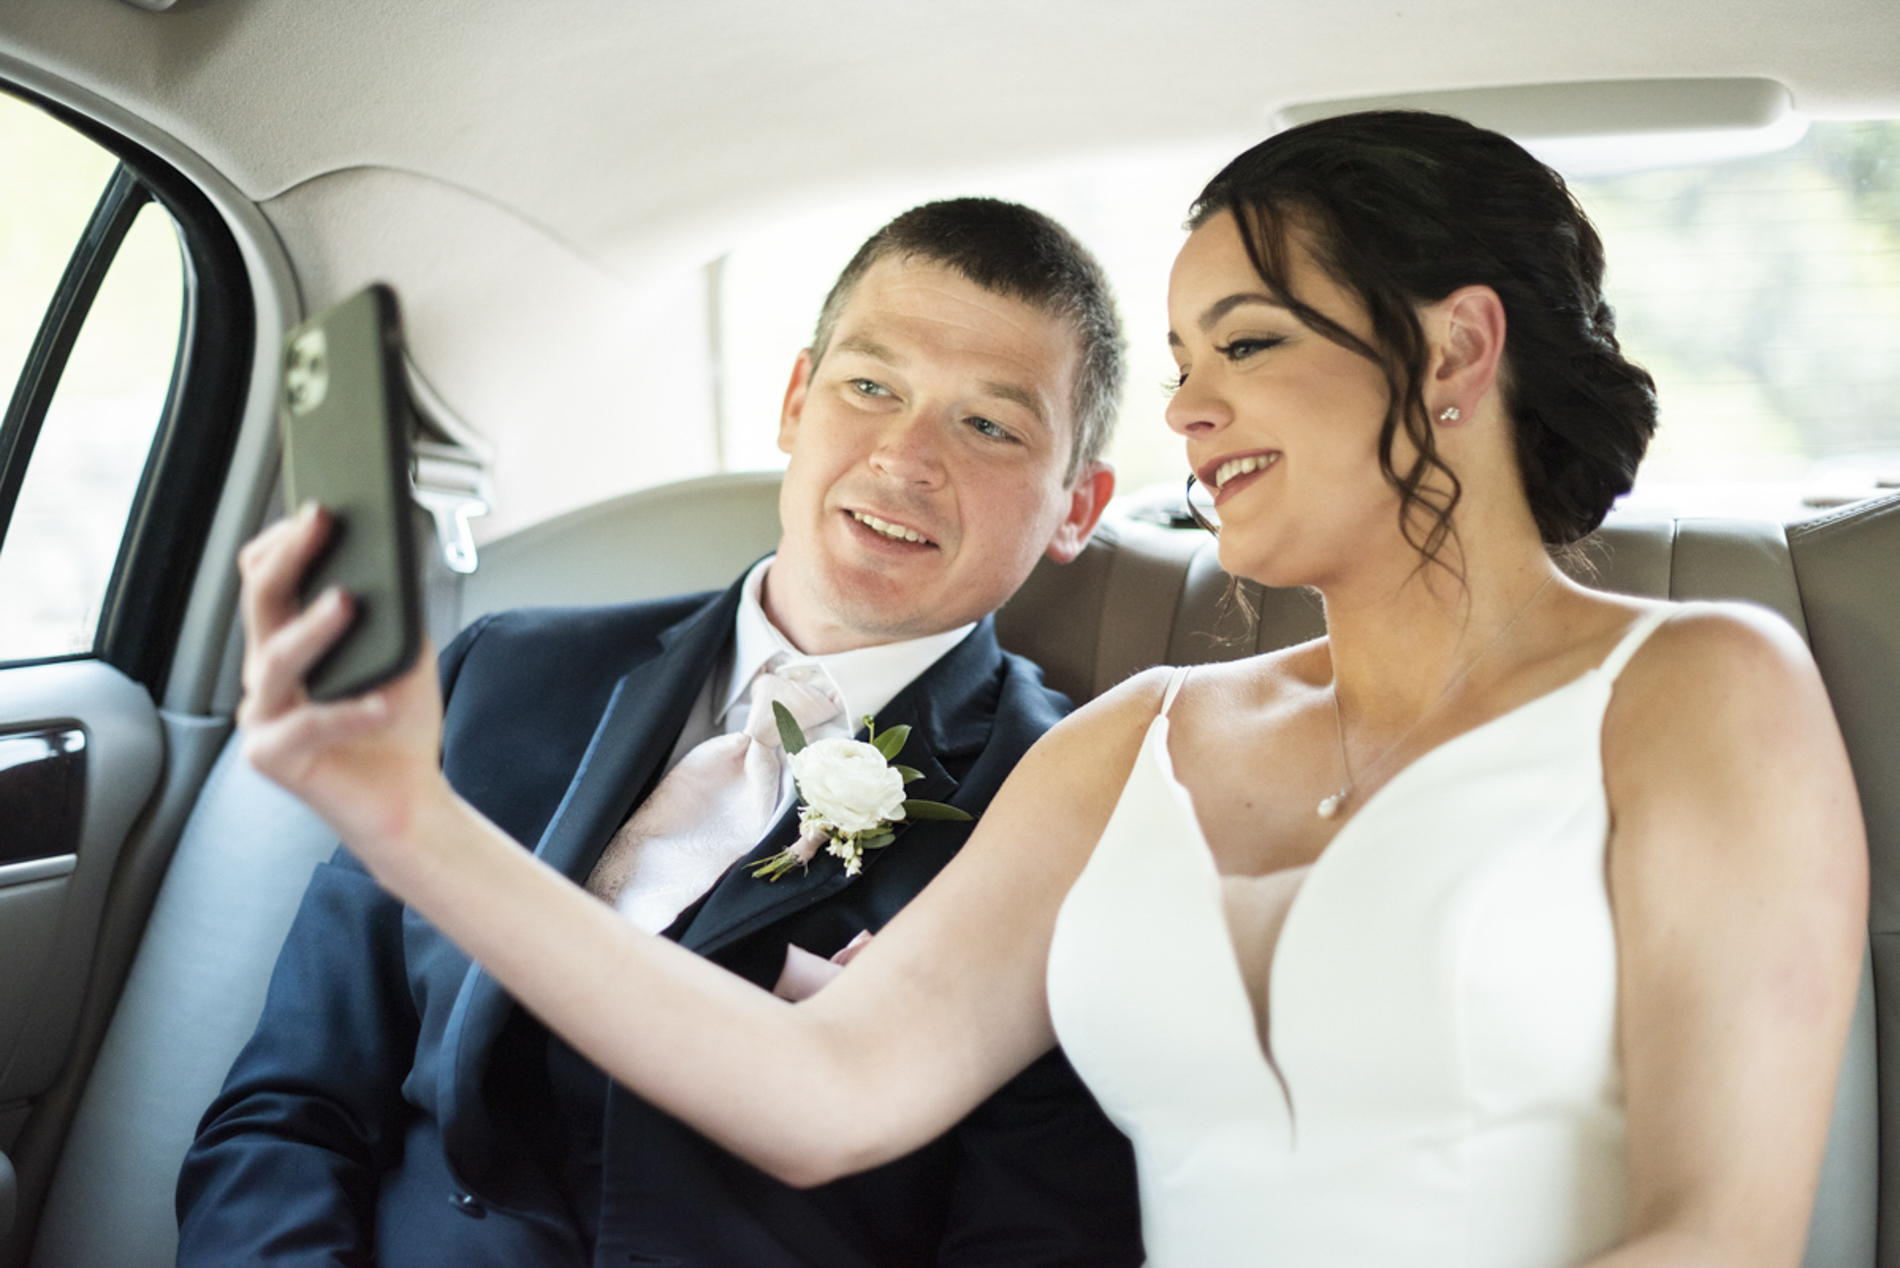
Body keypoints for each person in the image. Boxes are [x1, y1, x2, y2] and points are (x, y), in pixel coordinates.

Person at [229, 113, 1870, 1267]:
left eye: (1244, 345)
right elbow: (820, 1092)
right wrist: (410, 817)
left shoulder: (1702, 687)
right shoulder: (1128, 742)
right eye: (1178, 364)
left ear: (1450, 356)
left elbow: (1719, 1235)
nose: (1194, 413)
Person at [176, 198, 1146, 1267]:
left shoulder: (1069, 809)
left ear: (1076, 507)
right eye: (869, 386)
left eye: (989, 425)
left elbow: (1029, 1239)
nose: (905, 456)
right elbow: (292, 1103)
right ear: (793, 400)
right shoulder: (501, 673)